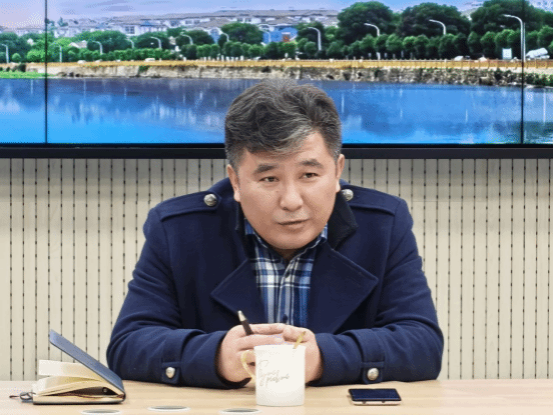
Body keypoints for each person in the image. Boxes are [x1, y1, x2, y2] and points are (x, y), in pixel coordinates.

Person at [107, 80, 443, 388]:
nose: (291, 201)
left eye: (309, 175)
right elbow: (129, 345)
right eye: (269, 179)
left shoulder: (383, 224)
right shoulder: (179, 229)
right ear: (236, 181)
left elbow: (422, 345)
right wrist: (215, 356)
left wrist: (325, 358)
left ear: (337, 171)